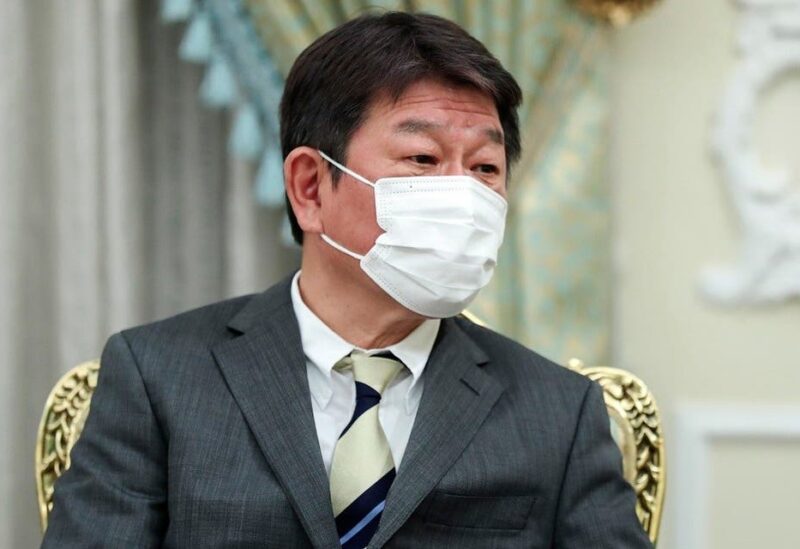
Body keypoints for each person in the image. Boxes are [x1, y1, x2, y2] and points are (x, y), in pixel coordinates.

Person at [42, 11, 652, 549]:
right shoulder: (160, 377)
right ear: (311, 188)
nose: (463, 195)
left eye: (485, 168)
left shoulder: (559, 412)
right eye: (422, 160)